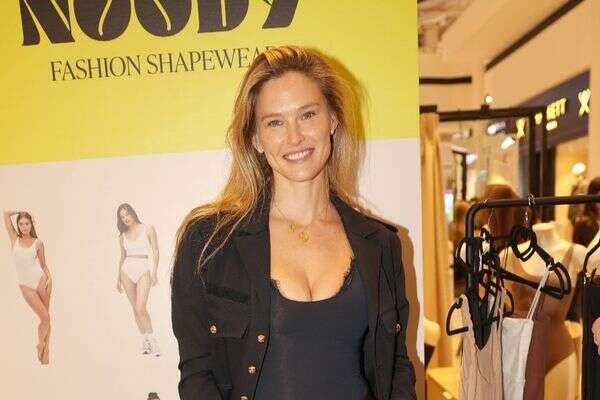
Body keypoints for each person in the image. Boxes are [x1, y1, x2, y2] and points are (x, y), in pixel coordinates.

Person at [171, 45, 416, 400]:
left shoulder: (380, 244)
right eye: (275, 122)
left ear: (333, 119)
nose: (295, 137)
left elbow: (397, 369)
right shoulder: (209, 243)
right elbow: (197, 374)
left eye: (308, 115)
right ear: (255, 138)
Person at [3, 210, 52, 364]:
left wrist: (49, 277)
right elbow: (5, 214)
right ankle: (40, 344)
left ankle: (46, 352)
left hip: (41, 280)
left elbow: (43, 265)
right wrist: (21, 212)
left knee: (47, 318)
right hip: (26, 285)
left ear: (31, 225)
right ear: (17, 225)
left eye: (27, 223)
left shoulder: (38, 243)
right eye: (21, 224)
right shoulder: (14, 238)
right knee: (45, 317)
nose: (24, 227)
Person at [116, 203, 161, 356]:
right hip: (126, 271)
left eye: (127, 214)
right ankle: (145, 340)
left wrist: (154, 273)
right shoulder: (122, 236)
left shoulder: (148, 228)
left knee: (141, 307)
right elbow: (122, 257)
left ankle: (152, 340)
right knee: (135, 309)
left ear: (132, 213)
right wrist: (118, 278)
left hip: (143, 269)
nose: (125, 218)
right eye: (122, 217)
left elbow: (156, 251)